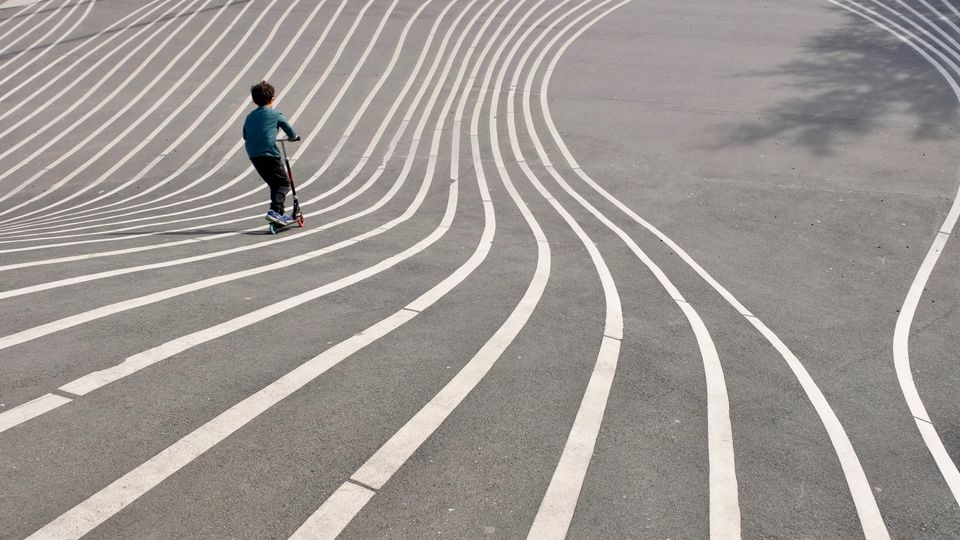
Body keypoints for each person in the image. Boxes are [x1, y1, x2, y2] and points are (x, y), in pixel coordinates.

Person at [243, 80, 300, 225]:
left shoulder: (249, 117)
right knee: (283, 183)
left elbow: (245, 135)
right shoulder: (275, 114)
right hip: (269, 153)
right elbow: (290, 130)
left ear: (255, 101)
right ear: (272, 98)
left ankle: (279, 213)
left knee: (274, 184)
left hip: (253, 155)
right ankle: (274, 211)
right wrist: (293, 138)